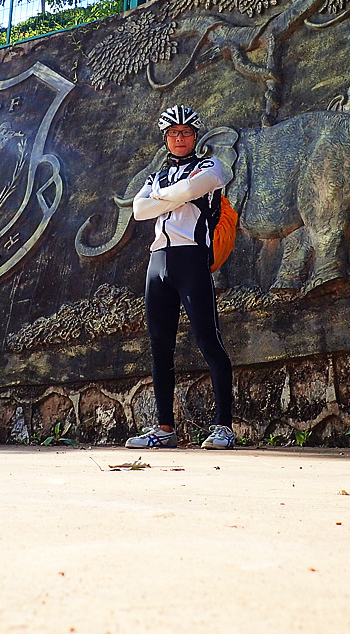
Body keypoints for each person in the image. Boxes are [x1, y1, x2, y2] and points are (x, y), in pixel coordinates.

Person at [125, 105, 236, 450]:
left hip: (191, 258)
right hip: (157, 262)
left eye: (186, 132)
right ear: (165, 138)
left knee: (208, 340)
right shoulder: (155, 176)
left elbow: (191, 190)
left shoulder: (211, 166)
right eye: (173, 133)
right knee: (160, 347)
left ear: (195, 136)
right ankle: (164, 429)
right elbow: (139, 210)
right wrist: (174, 194)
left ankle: (224, 427)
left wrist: (162, 199)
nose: (179, 137)